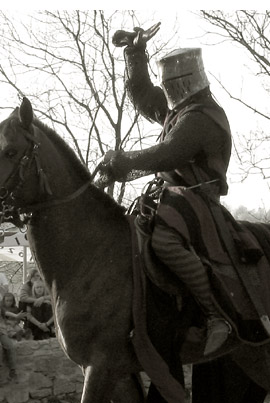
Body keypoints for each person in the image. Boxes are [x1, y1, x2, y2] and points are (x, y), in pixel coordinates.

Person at [103, 22, 232, 355]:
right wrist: (135, 52)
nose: (167, 92)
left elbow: (166, 154)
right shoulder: (181, 110)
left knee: (164, 240)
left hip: (197, 200)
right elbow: (144, 96)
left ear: (185, 83)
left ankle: (215, 314)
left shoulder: (201, 117)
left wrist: (122, 161)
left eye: (171, 86)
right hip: (173, 199)